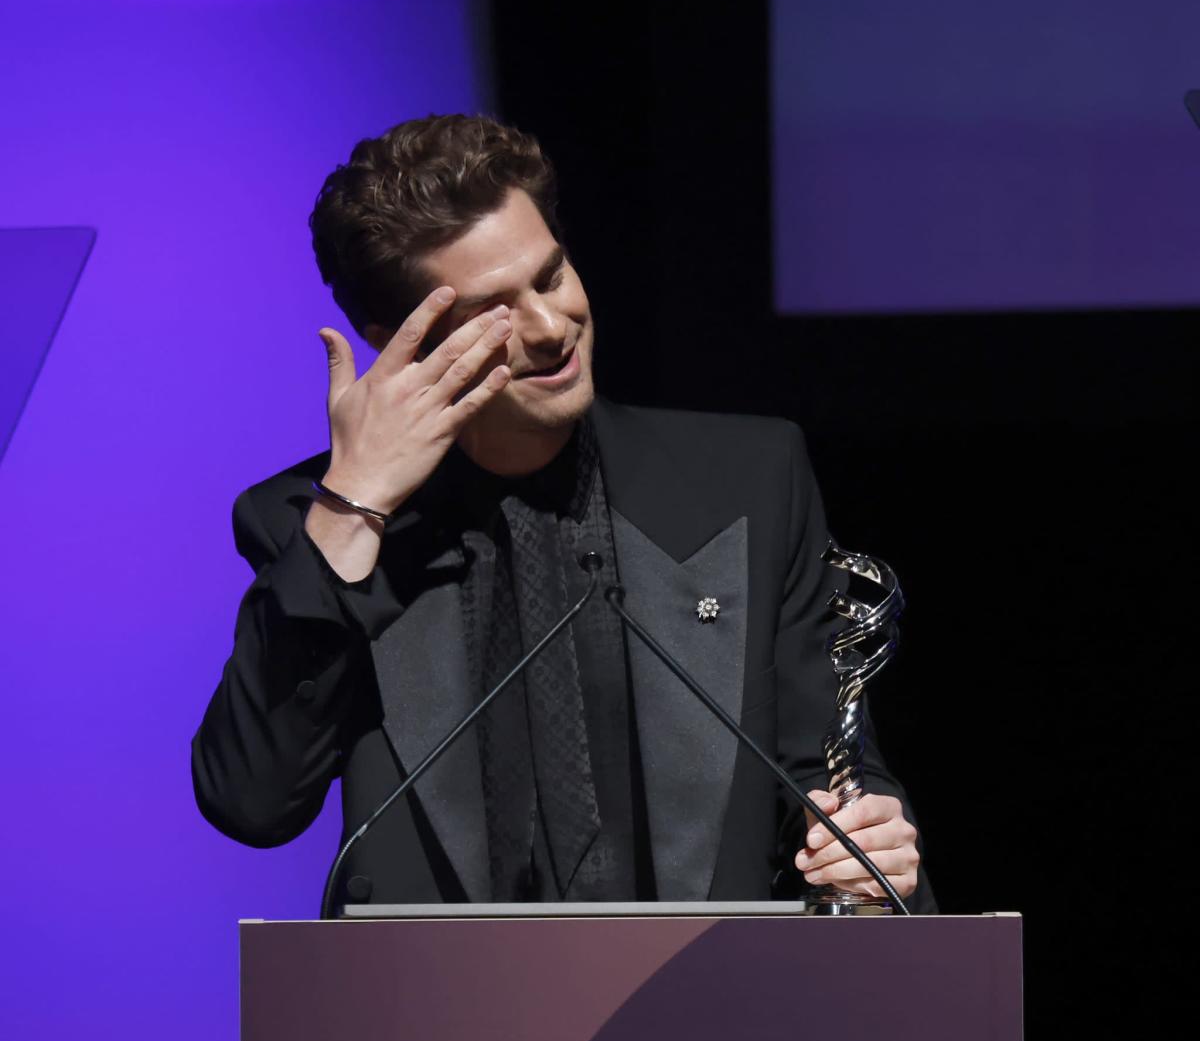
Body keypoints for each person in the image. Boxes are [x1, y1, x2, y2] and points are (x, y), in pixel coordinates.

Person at [192, 114, 935, 911]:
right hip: (432, 1018)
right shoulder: (311, 525)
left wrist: (867, 844)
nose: (551, 328)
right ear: (397, 345)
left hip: (706, 999)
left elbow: (824, 766)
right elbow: (254, 803)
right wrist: (355, 509)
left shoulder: (747, 481)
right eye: (492, 311)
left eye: (549, 277)